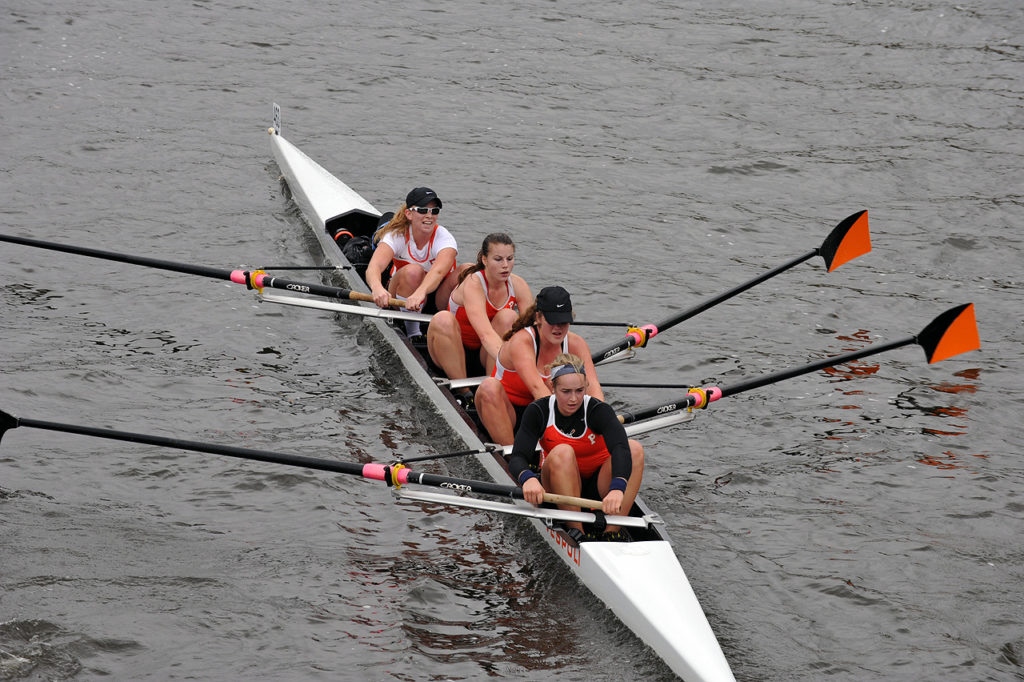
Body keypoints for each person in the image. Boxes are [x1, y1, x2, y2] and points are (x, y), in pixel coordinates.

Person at [507, 353, 644, 542]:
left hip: (597, 486)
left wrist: (617, 489)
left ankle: (612, 532)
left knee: (634, 448)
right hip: (557, 486)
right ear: (552, 387)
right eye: (566, 391)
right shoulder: (538, 411)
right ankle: (577, 533)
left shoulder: (598, 410)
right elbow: (517, 457)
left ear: (587, 386)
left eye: (579, 390)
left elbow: (621, 448)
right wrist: (527, 478)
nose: (574, 399)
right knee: (563, 451)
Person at [475, 286, 603, 445]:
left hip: (540, 416)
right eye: (552, 321)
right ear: (539, 317)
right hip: (507, 414)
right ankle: (511, 458)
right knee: (489, 387)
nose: (558, 327)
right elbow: (538, 390)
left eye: (563, 321)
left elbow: (593, 388)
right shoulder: (522, 342)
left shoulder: (576, 344)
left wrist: (603, 421)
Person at [427, 233, 533, 389]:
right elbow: (485, 335)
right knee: (443, 319)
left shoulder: (518, 285)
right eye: (498, 259)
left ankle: (496, 387)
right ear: (485, 260)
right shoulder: (474, 283)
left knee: (508, 317)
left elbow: (532, 332)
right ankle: (464, 392)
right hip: (453, 350)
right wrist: (513, 364)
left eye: (509, 259)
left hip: (485, 355)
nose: (505, 265)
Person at [365, 187, 462, 339]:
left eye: (434, 211)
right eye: (423, 210)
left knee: (468, 272)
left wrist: (420, 293)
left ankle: (460, 327)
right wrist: (377, 288)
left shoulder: (444, 237)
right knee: (414, 271)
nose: (429, 216)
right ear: (409, 214)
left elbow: (438, 271)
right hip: (402, 297)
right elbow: (374, 266)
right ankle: (413, 333)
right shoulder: (396, 235)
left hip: (434, 298)